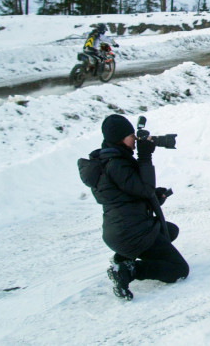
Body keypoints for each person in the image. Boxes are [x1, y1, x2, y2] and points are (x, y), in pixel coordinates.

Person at [78, 114, 189, 300]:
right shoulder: (117, 164)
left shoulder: (111, 160)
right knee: (180, 269)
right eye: (132, 136)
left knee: (169, 231)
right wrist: (145, 156)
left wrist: (155, 196)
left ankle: (123, 257)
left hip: (120, 232)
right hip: (133, 234)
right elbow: (144, 190)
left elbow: (131, 193)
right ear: (121, 138)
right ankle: (129, 270)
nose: (136, 140)